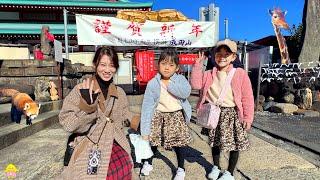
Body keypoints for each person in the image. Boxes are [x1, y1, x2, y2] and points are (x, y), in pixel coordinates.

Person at [58, 46, 140, 179]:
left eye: (112, 66)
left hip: (115, 141)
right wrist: (87, 107)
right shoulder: (81, 89)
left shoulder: (119, 92)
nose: (107, 70)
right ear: (95, 65)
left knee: (124, 167)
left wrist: (139, 123)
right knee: (96, 174)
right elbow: (68, 124)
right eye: (103, 65)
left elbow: (124, 114)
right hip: (90, 144)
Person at [191, 39, 254, 180]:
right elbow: (195, 85)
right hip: (214, 113)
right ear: (214, 56)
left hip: (232, 113)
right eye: (219, 54)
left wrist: (248, 118)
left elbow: (247, 98)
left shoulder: (240, 74)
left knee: (234, 143)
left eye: (227, 54)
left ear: (233, 57)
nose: (222, 57)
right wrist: (197, 65)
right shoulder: (208, 73)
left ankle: (230, 172)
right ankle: (216, 166)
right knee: (215, 141)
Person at [140, 49, 192, 180]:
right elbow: (147, 106)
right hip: (158, 116)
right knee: (153, 141)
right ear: (158, 65)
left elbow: (185, 93)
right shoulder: (153, 83)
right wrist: (144, 131)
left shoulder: (180, 79)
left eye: (171, 65)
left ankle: (181, 168)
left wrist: (170, 85)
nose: (167, 68)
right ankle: (148, 162)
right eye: (164, 63)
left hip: (176, 116)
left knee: (179, 143)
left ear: (177, 67)